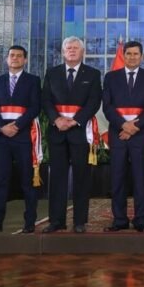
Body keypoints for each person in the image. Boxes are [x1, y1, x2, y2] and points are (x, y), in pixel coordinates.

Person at [42, 37, 102, 234]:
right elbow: (46, 100)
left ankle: (79, 221)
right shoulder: (52, 73)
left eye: (76, 48)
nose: (72, 50)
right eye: (69, 48)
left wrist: (76, 120)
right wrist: (56, 119)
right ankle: (56, 221)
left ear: (82, 52)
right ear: (63, 51)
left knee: (81, 178)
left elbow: (94, 101)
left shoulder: (92, 74)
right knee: (56, 178)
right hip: (57, 131)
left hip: (79, 131)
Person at [0, 45, 42, 235]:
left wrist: (17, 125)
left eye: (19, 56)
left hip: (23, 136)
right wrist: (1, 127)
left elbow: (35, 107)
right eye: (12, 55)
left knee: (27, 181)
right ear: (7, 59)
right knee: (1, 181)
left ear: (25, 60)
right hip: (2, 138)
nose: (15, 58)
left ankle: (30, 222)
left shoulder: (33, 80)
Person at [102, 41, 144, 232]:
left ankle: (141, 219)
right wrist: (123, 125)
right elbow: (107, 106)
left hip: (140, 134)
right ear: (123, 55)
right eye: (129, 54)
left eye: (136, 54)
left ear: (142, 57)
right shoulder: (111, 77)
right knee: (117, 178)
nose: (132, 57)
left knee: (141, 178)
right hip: (118, 133)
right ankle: (119, 219)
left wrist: (135, 127)